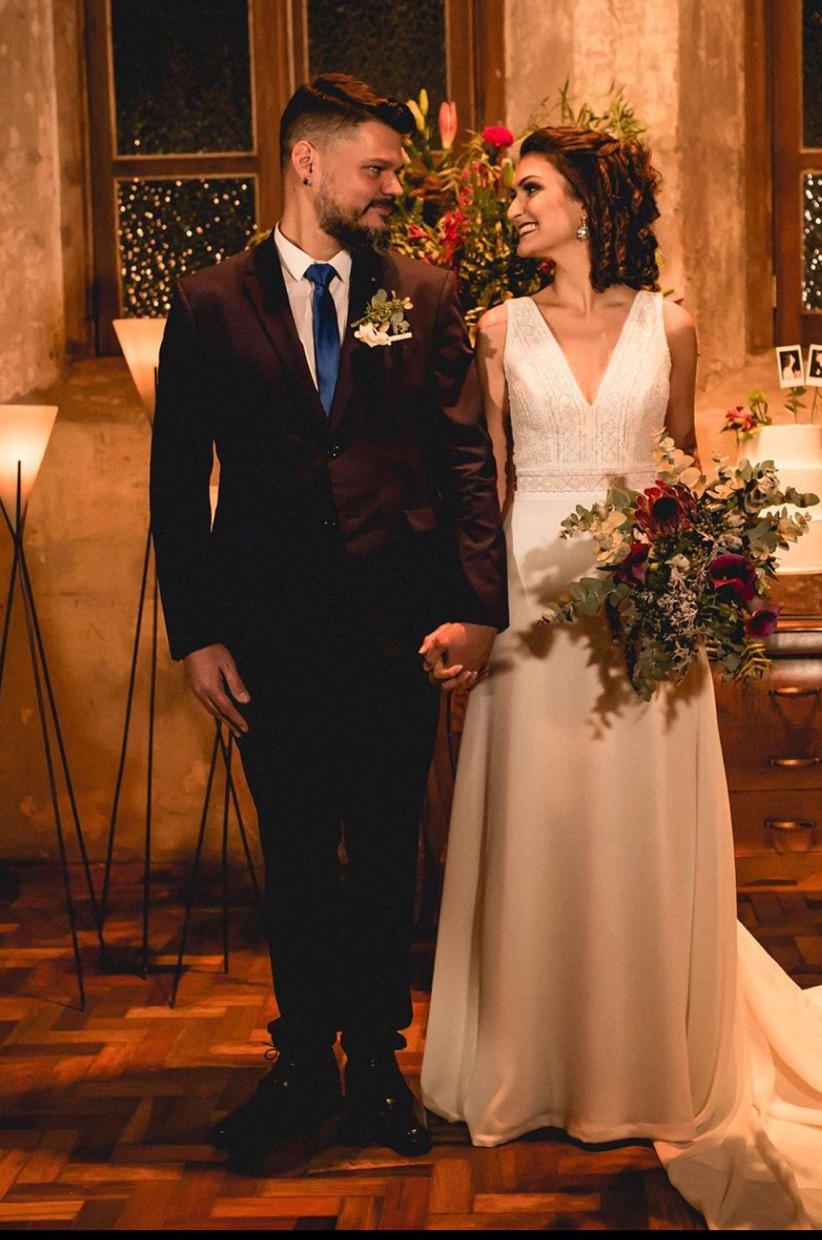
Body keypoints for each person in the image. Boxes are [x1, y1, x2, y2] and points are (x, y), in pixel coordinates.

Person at [419, 125, 822, 1228]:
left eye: (531, 189)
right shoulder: (495, 330)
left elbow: (678, 466)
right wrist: (474, 613)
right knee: (537, 822)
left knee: (636, 826)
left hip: (646, 615)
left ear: (586, 201)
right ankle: (529, 1064)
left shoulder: (669, 326)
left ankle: (644, 1060)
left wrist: (693, 578)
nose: (515, 208)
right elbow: (482, 488)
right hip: (531, 613)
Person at [150, 73, 507, 1172]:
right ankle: (301, 1059)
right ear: (307, 164)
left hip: (399, 623)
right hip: (268, 632)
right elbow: (177, 482)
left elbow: (463, 460)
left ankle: (377, 1067)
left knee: (388, 849)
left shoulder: (425, 294)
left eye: (396, 169)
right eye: (377, 168)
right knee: (298, 852)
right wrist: (196, 632)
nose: (394, 186)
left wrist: (474, 608)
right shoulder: (208, 302)